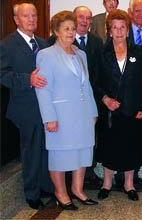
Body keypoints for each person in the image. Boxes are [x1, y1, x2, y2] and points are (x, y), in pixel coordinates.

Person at [35, 11, 98, 210]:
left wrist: (94, 111)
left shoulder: (81, 54)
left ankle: (78, 190)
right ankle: (61, 193)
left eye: (72, 28)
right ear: (56, 31)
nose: (71, 32)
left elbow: (87, 85)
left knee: (82, 152)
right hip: (60, 116)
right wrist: (49, 118)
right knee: (59, 155)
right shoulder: (46, 55)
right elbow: (43, 89)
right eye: (66, 28)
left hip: (83, 113)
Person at [95, 9, 142, 202]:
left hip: (132, 110)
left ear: (128, 30)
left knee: (131, 147)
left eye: (123, 27)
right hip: (110, 111)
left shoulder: (138, 52)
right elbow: (94, 82)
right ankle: (107, 183)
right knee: (109, 147)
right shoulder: (101, 53)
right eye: (115, 27)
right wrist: (105, 99)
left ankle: (129, 185)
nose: (119, 31)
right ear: (109, 31)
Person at [0, 3, 54, 210]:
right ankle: (32, 194)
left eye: (34, 15)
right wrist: (27, 79)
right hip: (25, 108)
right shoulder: (7, 44)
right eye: (26, 16)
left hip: (46, 108)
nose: (31, 19)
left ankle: (45, 186)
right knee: (31, 152)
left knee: (44, 149)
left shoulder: (41, 42)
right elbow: (2, 74)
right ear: (16, 19)